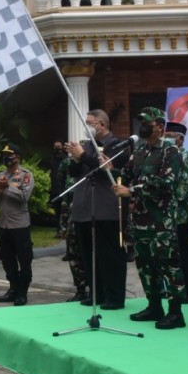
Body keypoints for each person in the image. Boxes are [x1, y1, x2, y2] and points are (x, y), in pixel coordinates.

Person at [114, 107, 186, 329]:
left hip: (161, 220)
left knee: (168, 266)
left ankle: (176, 313)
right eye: (141, 122)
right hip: (140, 220)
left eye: (148, 123)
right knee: (145, 265)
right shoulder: (141, 150)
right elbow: (125, 174)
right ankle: (154, 305)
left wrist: (132, 191)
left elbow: (166, 184)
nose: (143, 127)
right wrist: (112, 166)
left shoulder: (170, 151)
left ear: (159, 127)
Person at [67, 109, 129, 310]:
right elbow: (74, 173)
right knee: (88, 255)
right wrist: (76, 158)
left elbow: (105, 169)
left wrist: (83, 156)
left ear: (101, 125)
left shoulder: (116, 144)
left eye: (89, 123)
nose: (86, 127)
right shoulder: (86, 146)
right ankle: (96, 294)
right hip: (84, 207)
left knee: (109, 255)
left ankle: (115, 297)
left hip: (106, 208)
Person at [0, 144, 35, 306]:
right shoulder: (0, 175)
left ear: (17, 157)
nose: (5, 158)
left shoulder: (25, 175)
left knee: (24, 259)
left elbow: (24, 197)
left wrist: (7, 187)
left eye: (9, 155)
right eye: (4, 155)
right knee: (7, 258)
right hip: (4, 224)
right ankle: (13, 288)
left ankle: (22, 292)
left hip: (20, 225)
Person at [165, 122, 188, 304]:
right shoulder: (165, 157)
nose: (166, 138)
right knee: (168, 255)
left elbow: (184, 190)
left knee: (184, 253)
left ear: (180, 138)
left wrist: (161, 193)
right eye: (165, 134)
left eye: (170, 135)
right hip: (163, 217)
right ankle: (172, 288)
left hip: (181, 216)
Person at [55, 153, 89, 302]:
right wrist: (63, 226)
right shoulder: (70, 178)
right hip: (72, 221)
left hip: (88, 221)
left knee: (89, 256)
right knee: (74, 256)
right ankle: (80, 289)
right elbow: (64, 203)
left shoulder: (91, 174)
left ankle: (95, 289)